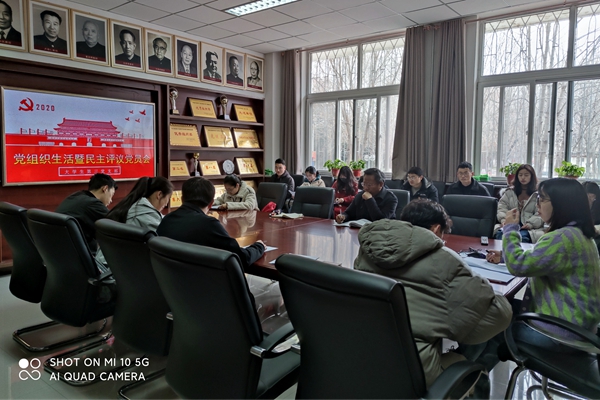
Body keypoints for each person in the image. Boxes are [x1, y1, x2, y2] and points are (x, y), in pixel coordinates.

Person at [353, 199, 512, 388]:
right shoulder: (444, 260)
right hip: (414, 373)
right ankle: (473, 385)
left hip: (363, 358)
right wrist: (481, 283)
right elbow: (499, 316)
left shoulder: (368, 249)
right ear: (436, 229)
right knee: (491, 331)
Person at [473, 178, 600, 392]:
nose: (538, 204)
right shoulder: (578, 234)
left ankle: (470, 383)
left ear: (561, 204)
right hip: (579, 326)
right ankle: (471, 379)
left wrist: (510, 229)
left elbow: (518, 265)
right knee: (497, 310)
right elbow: (543, 259)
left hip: (560, 334)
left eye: (542, 199)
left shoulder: (562, 238)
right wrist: (505, 256)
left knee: (489, 324)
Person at [156, 177, 265, 270]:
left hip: (169, 283)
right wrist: (259, 246)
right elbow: (241, 258)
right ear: (211, 204)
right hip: (203, 284)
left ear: (182, 199)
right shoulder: (209, 225)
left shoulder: (166, 220)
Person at [96, 176, 173, 265]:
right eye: (168, 198)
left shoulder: (134, 206)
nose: (166, 204)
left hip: (106, 264)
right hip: (115, 267)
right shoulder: (144, 213)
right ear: (159, 195)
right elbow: (167, 239)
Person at [55, 173, 117, 261]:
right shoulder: (93, 204)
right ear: (105, 188)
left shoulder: (75, 196)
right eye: (111, 195)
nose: (111, 200)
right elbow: (117, 225)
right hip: (79, 258)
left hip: (60, 254)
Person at [493, 164, 545, 243]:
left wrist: (530, 224)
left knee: (522, 238)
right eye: (520, 175)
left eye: (526, 175)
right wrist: (504, 220)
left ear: (532, 176)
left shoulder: (538, 194)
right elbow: (501, 207)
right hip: (510, 223)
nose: (523, 177)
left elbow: (541, 213)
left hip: (530, 228)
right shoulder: (510, 192)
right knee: (500, 235)